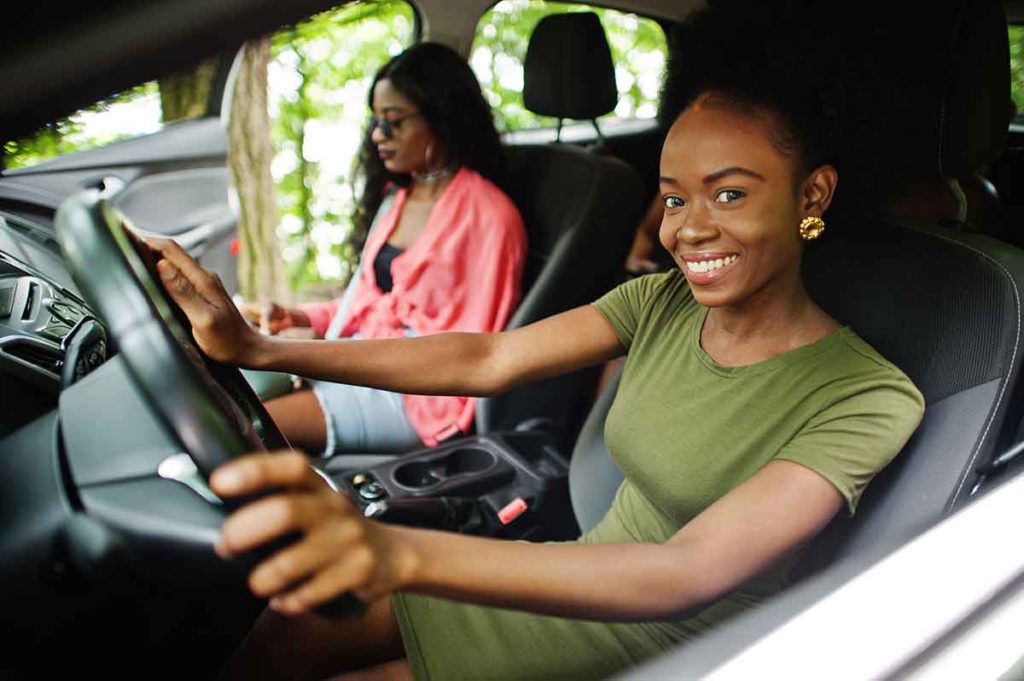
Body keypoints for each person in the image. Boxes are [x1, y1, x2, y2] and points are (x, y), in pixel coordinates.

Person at [149, 8, 925, 680]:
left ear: (811, 195)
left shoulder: (867, 394)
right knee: (301, 619)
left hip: (672, 640)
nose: (687, 229)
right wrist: (264, 349)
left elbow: (686, 571)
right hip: (583, 572)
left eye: (729, 193)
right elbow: (489, 358)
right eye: (675, 197)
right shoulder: (661, 301)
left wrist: (397, 552)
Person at [240, 42, 527, 457]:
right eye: (375, 121)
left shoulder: (491, 217)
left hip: (419, 395)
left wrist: (339, 358)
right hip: (365, 359)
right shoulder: (396, 198)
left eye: (393, 122)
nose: (378, 135)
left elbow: (478, 351)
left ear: (441, 118)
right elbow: (368, 302)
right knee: (233, 395)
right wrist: (299, 316)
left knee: (253, 430)